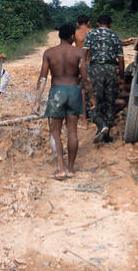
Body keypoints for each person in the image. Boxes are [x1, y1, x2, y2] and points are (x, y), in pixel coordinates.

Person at [33, 23, 96, 180]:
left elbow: (42, 78)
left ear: (59, 35)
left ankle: (60, 168)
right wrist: (92, 96)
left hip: (57, 92)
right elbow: (86, 78)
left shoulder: (49, 53)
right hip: (74, 92)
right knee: (72, 131)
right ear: (72, 37)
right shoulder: (79, 53)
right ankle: (71, 168)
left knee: (55, 131)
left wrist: (37, 101)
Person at [83, 14, 124, 144]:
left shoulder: (91, 35)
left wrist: (83, 72)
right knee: (110, 101)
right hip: (111, 70)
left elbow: (83, 55)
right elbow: (121, 60)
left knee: (94, 101)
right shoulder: (115, 36)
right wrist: (121, 77)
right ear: (110, 24)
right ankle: (106, 136)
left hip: (95, 69)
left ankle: (101, 126)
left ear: (97, 23)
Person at [75, 15, 92, 128]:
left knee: (81, 92)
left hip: (81, 64)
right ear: (89, 22)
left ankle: (84, 121)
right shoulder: (93, 32)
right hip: (93, 63)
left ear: (77, 23)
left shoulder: (75, 33)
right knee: (93, 90)